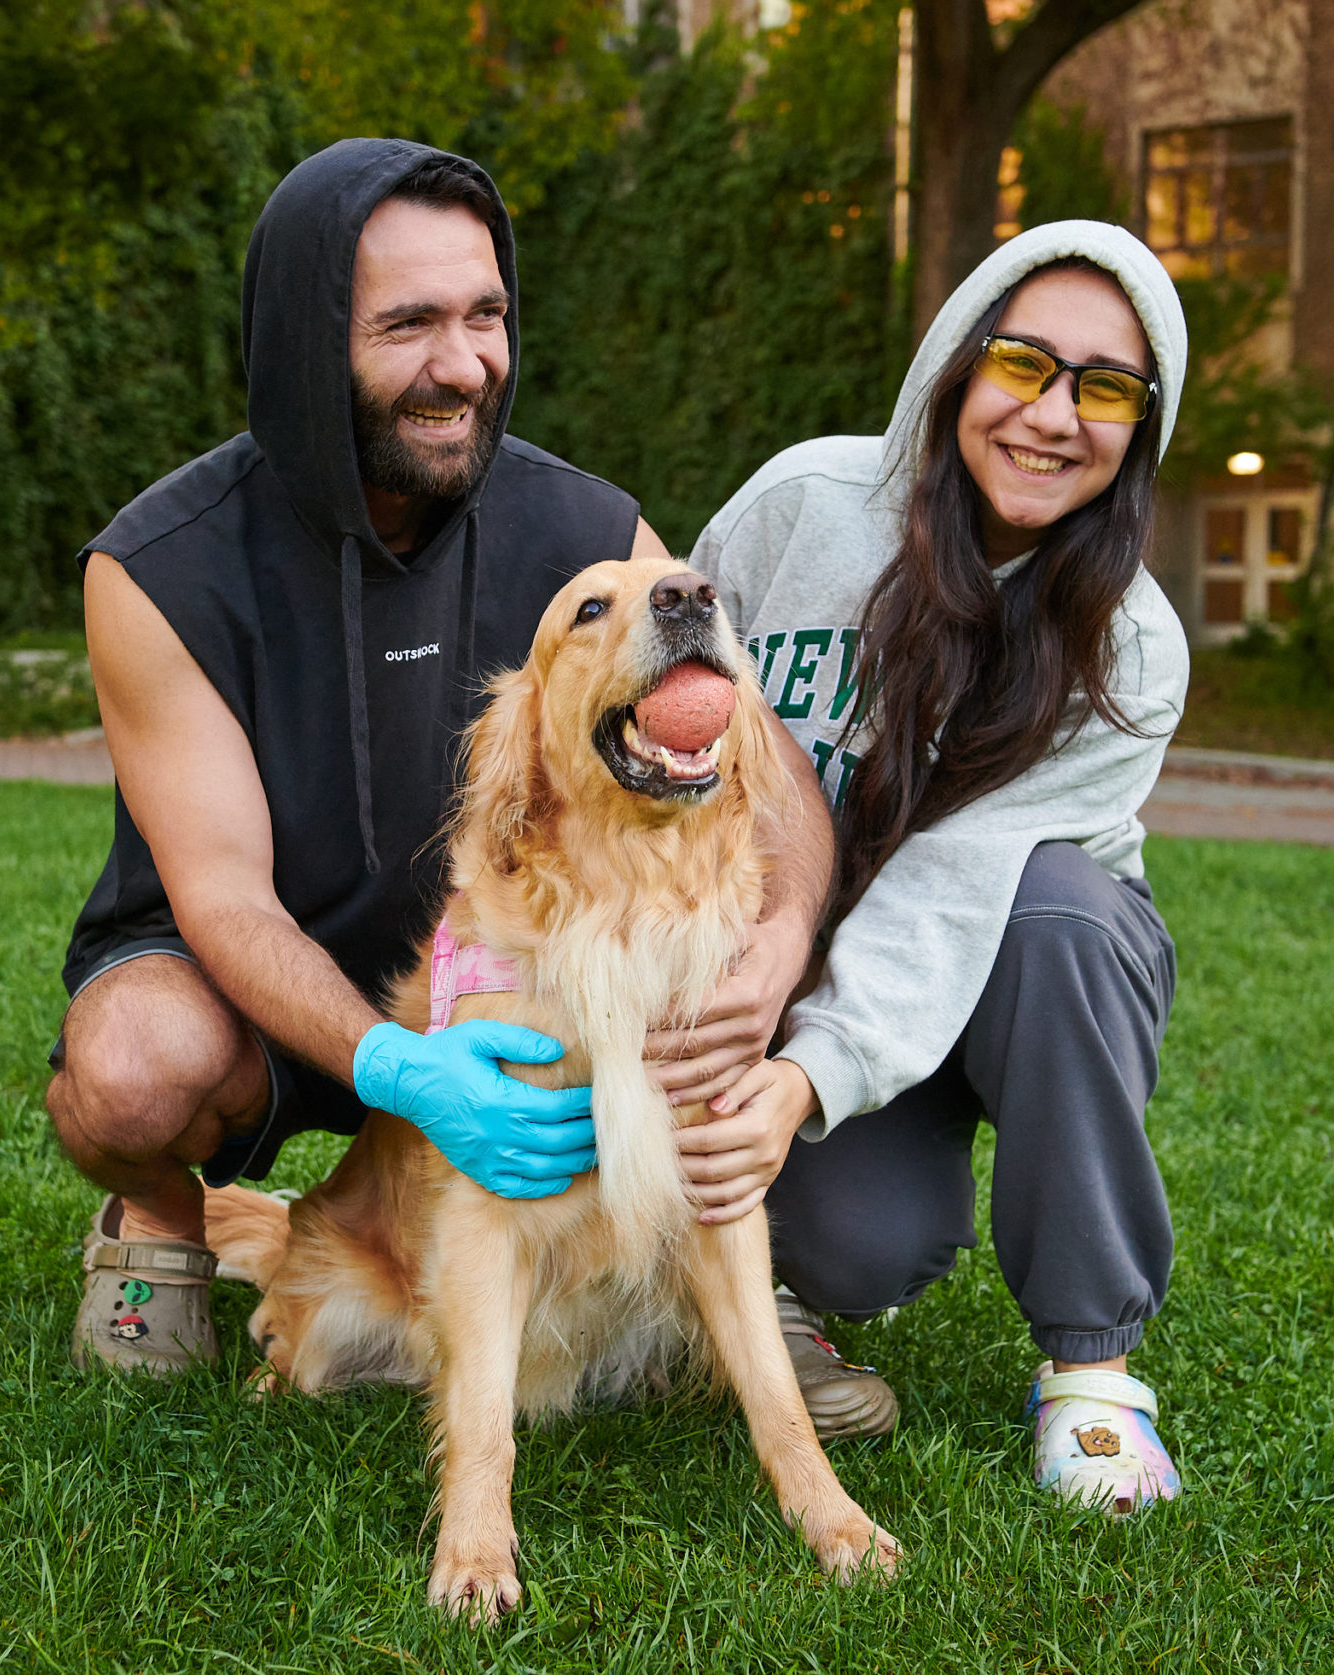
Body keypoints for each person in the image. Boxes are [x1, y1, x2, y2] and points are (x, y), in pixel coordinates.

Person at [44, 139, 833, 1376]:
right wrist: (398, 1066)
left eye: (485, 316)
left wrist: (776, 957)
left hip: (512, 989)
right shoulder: (159, 568)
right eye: (407, 324)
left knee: (711, 955)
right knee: (134, 1071)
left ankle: (687, 1275)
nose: (462, 366)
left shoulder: (586, 528)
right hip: (249, 1004)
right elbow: (223, 899)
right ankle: (161, 1221)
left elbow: (765, 777)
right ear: (307, 347)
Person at [681, 223, 1192, 1515]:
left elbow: (950, 890)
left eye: (1108, 385)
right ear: (959, 368)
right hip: (796, 961)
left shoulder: (1128, 646)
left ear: (1144, 424)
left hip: (1011, 966)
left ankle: (1092, 1366)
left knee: (1059, 911)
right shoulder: (807, 503)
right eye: (1026, 362)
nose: (1057, 413)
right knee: (860, 1246)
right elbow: (675, 702)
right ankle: (765, 1290)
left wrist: (804, 1077)